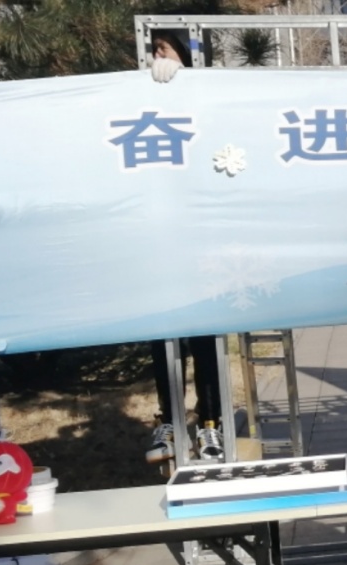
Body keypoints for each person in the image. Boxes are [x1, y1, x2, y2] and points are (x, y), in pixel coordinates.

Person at [145, 30, 224, 464]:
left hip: (201, 245)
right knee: (162, 341)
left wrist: (184, 83)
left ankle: (210, 423)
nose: (156, 58)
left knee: (205, 341)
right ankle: (170, 422)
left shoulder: (204, 101)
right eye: (152, 51)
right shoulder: (140, 102)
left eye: (164, 49)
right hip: (159, 245)